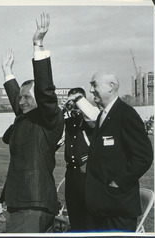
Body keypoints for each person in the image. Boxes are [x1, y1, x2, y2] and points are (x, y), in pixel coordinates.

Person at [1, 13, 64, 232]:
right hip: (21, 201)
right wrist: (8, 73)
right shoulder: (26, 117)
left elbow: (46, 92)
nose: (22, 101)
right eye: (20, 97)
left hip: (34, 203)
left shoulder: (49, 119)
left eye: (28, 97)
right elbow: (19, 103)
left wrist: (38, 45)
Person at [85, 72, 153, 232]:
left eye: (94, 84)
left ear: (111, 87)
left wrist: (118, 182)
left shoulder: (126, 114)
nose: (90, 89)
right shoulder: (103, 115)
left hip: (118, 208)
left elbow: (144, 156)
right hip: (101, 206)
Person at [60, 88, 99, 231]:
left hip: (86, 170)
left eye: (75, 101)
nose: (73, 105)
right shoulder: (69, 120)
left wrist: (78, 102)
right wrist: (63, 109)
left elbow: (92, 118)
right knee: (74, 214)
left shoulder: (91, 115)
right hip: (71, 172)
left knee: (89, 216)